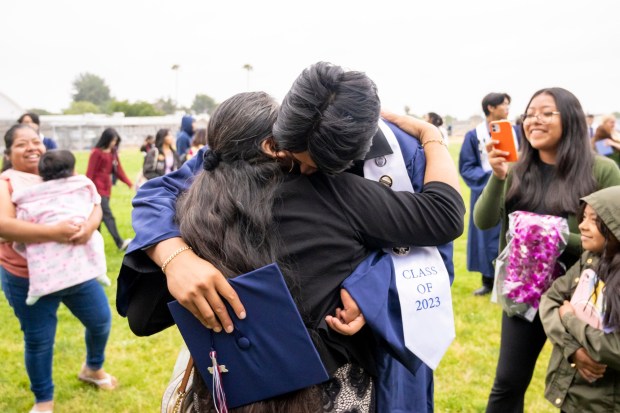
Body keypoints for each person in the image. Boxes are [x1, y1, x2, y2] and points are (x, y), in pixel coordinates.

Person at [118, 63, 464, 411]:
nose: (300, 171)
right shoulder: (258, 147)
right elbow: (159, 192)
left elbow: (432, 255)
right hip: (263, 371)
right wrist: (175, 256)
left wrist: (371, 290)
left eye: (317, 167)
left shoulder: (401, 157)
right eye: (293, 156)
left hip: (343, 357)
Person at [474, 87, 620, 413]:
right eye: (530, 113)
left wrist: (545, 234)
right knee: (508, 383)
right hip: (523, 295)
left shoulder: (601, 170)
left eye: (546, 112)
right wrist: (498, 177)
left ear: (568, 118)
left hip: (580, 298)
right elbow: (483, 221)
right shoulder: (516, 169)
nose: (534, 120)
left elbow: (614, 238)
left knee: (582, 391)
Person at [0, 125, 116, 413]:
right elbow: (3, 225)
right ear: (8, 153)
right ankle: (44, 401)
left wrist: (89, 227)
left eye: (36, 141)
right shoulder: (6, 182)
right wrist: (55, 232)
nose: (31, 148)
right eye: (21, 144)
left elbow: (94, 202)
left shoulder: (58, 171)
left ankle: (92, 368)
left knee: (100, 321)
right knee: (39, 340)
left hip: (76, 272)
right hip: (27, 278)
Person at [540, 185, 620, 412]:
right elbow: (550, 300)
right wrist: (573, 349)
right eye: (583, 217)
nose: (582, 226)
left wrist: (569, 320)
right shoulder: (591, 260)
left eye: (595, 220)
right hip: (573, 397)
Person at [12, 149, 110, 305]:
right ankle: (100, 271)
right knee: (96, 240)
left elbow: (24, 206)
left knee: (38, 258)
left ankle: (36, 290)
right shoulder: (80, 183)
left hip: (45, 236)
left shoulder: (33, 191)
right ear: (71, 169)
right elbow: (93, 200)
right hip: (76, 226)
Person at [459, 92, 510, 296]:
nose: (507, 108)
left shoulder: (515, 131)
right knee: (486, 237)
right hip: (486, 191)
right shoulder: (474, 135)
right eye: (504, 104)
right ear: (491, 107)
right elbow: (467, 167)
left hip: (514, 190)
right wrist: (492, 179)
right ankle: (488, 281)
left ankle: (511, 280)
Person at [86, 128, 133, 250]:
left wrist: (128, 183)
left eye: (115, 141)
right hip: (97, 189)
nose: (114, 143)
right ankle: (120, 243)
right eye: (112, 140)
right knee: (107, 215)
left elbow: (118, 170)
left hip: (107, 188)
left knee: (99, 217)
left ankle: (94, 244)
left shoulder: (113, 153)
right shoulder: (96, 153)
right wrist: (88, 190)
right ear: (106, 139)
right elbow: (90, 173)